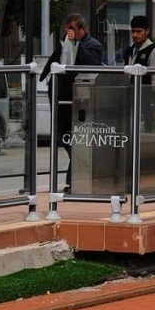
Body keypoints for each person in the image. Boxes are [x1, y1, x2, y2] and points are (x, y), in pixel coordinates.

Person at [40, 13, 104, 190]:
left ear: (83, 29)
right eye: (67, 29)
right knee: (65, 139)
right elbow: (56, 58)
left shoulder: (92, 45)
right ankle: (75, 180)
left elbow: (92, 64)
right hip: (61, 99)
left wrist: (77, 44)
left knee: (78, 143)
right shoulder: (65, 43)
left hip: (79, 102)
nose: (69, 33)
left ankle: (73, 181)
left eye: (73, 29)